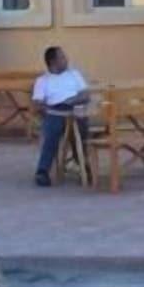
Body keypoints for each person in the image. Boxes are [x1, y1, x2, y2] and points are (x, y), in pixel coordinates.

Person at [31, 44, 90, 187]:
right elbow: (38, 104)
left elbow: (85, 94)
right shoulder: (43, 81)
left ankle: (83, 165)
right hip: (54, 114)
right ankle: (42, 171)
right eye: (62, 57)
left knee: (80, 131)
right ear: (53, 62)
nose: (66, 59)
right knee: (52, 132)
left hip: (75, 111)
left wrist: (71, 101)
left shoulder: (74, 74)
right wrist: (49, 110)